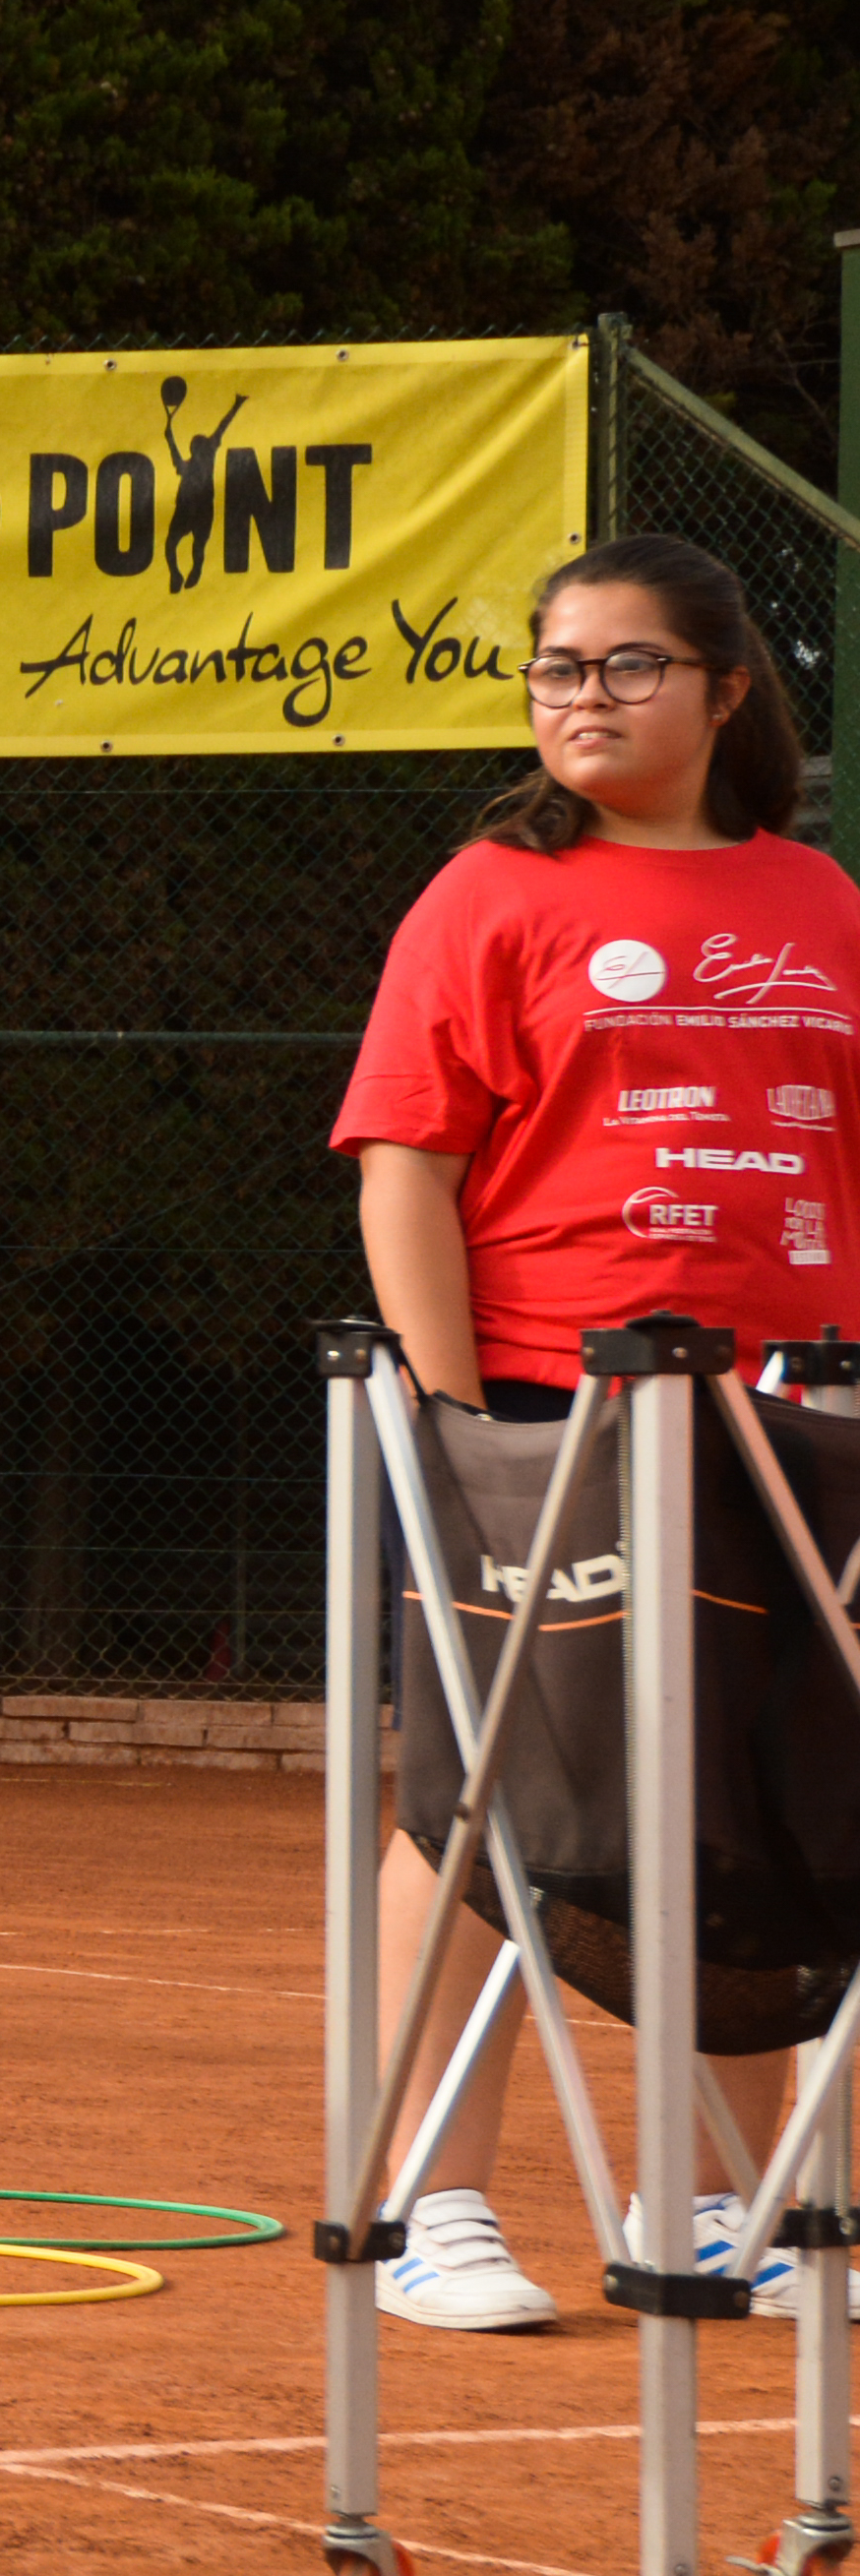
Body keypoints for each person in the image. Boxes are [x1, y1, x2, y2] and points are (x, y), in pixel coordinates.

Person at [338, 533, 860, 2332]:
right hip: (545, 1413)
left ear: (726, 689)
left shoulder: (820, 900)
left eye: (628, 665)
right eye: (558, 668)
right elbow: (409, 1163)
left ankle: (728, 2207)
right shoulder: (490, 894)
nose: (583, 696)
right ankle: (431, 2208)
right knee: (485, 1795)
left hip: (791, 1423)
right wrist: (452, 1405)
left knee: (765, 1793)